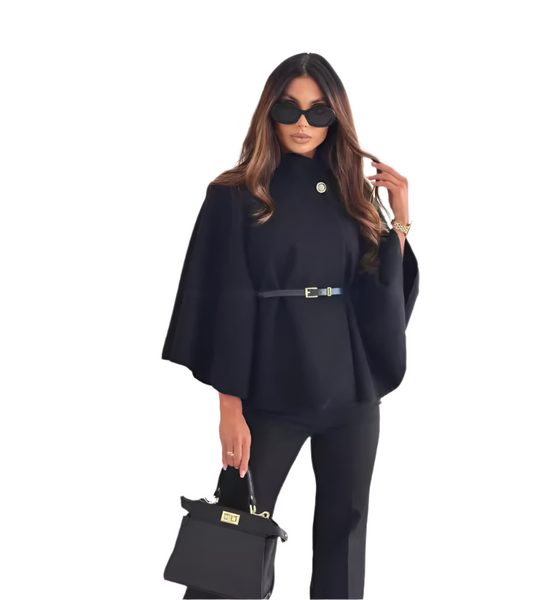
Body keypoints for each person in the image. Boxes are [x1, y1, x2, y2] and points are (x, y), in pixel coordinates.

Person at [161, 52, 420, 599]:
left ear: (336, 117)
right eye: (289, 108)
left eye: (319, 111)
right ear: (269, 112)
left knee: (345, 534)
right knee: (235, 532)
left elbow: (382, 289)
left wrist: (400, 220)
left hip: (350, 394)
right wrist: (230, 409)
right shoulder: (235, 193)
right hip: (272, 388)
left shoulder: (353, 193)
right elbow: (223, 301)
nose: (303, 122)